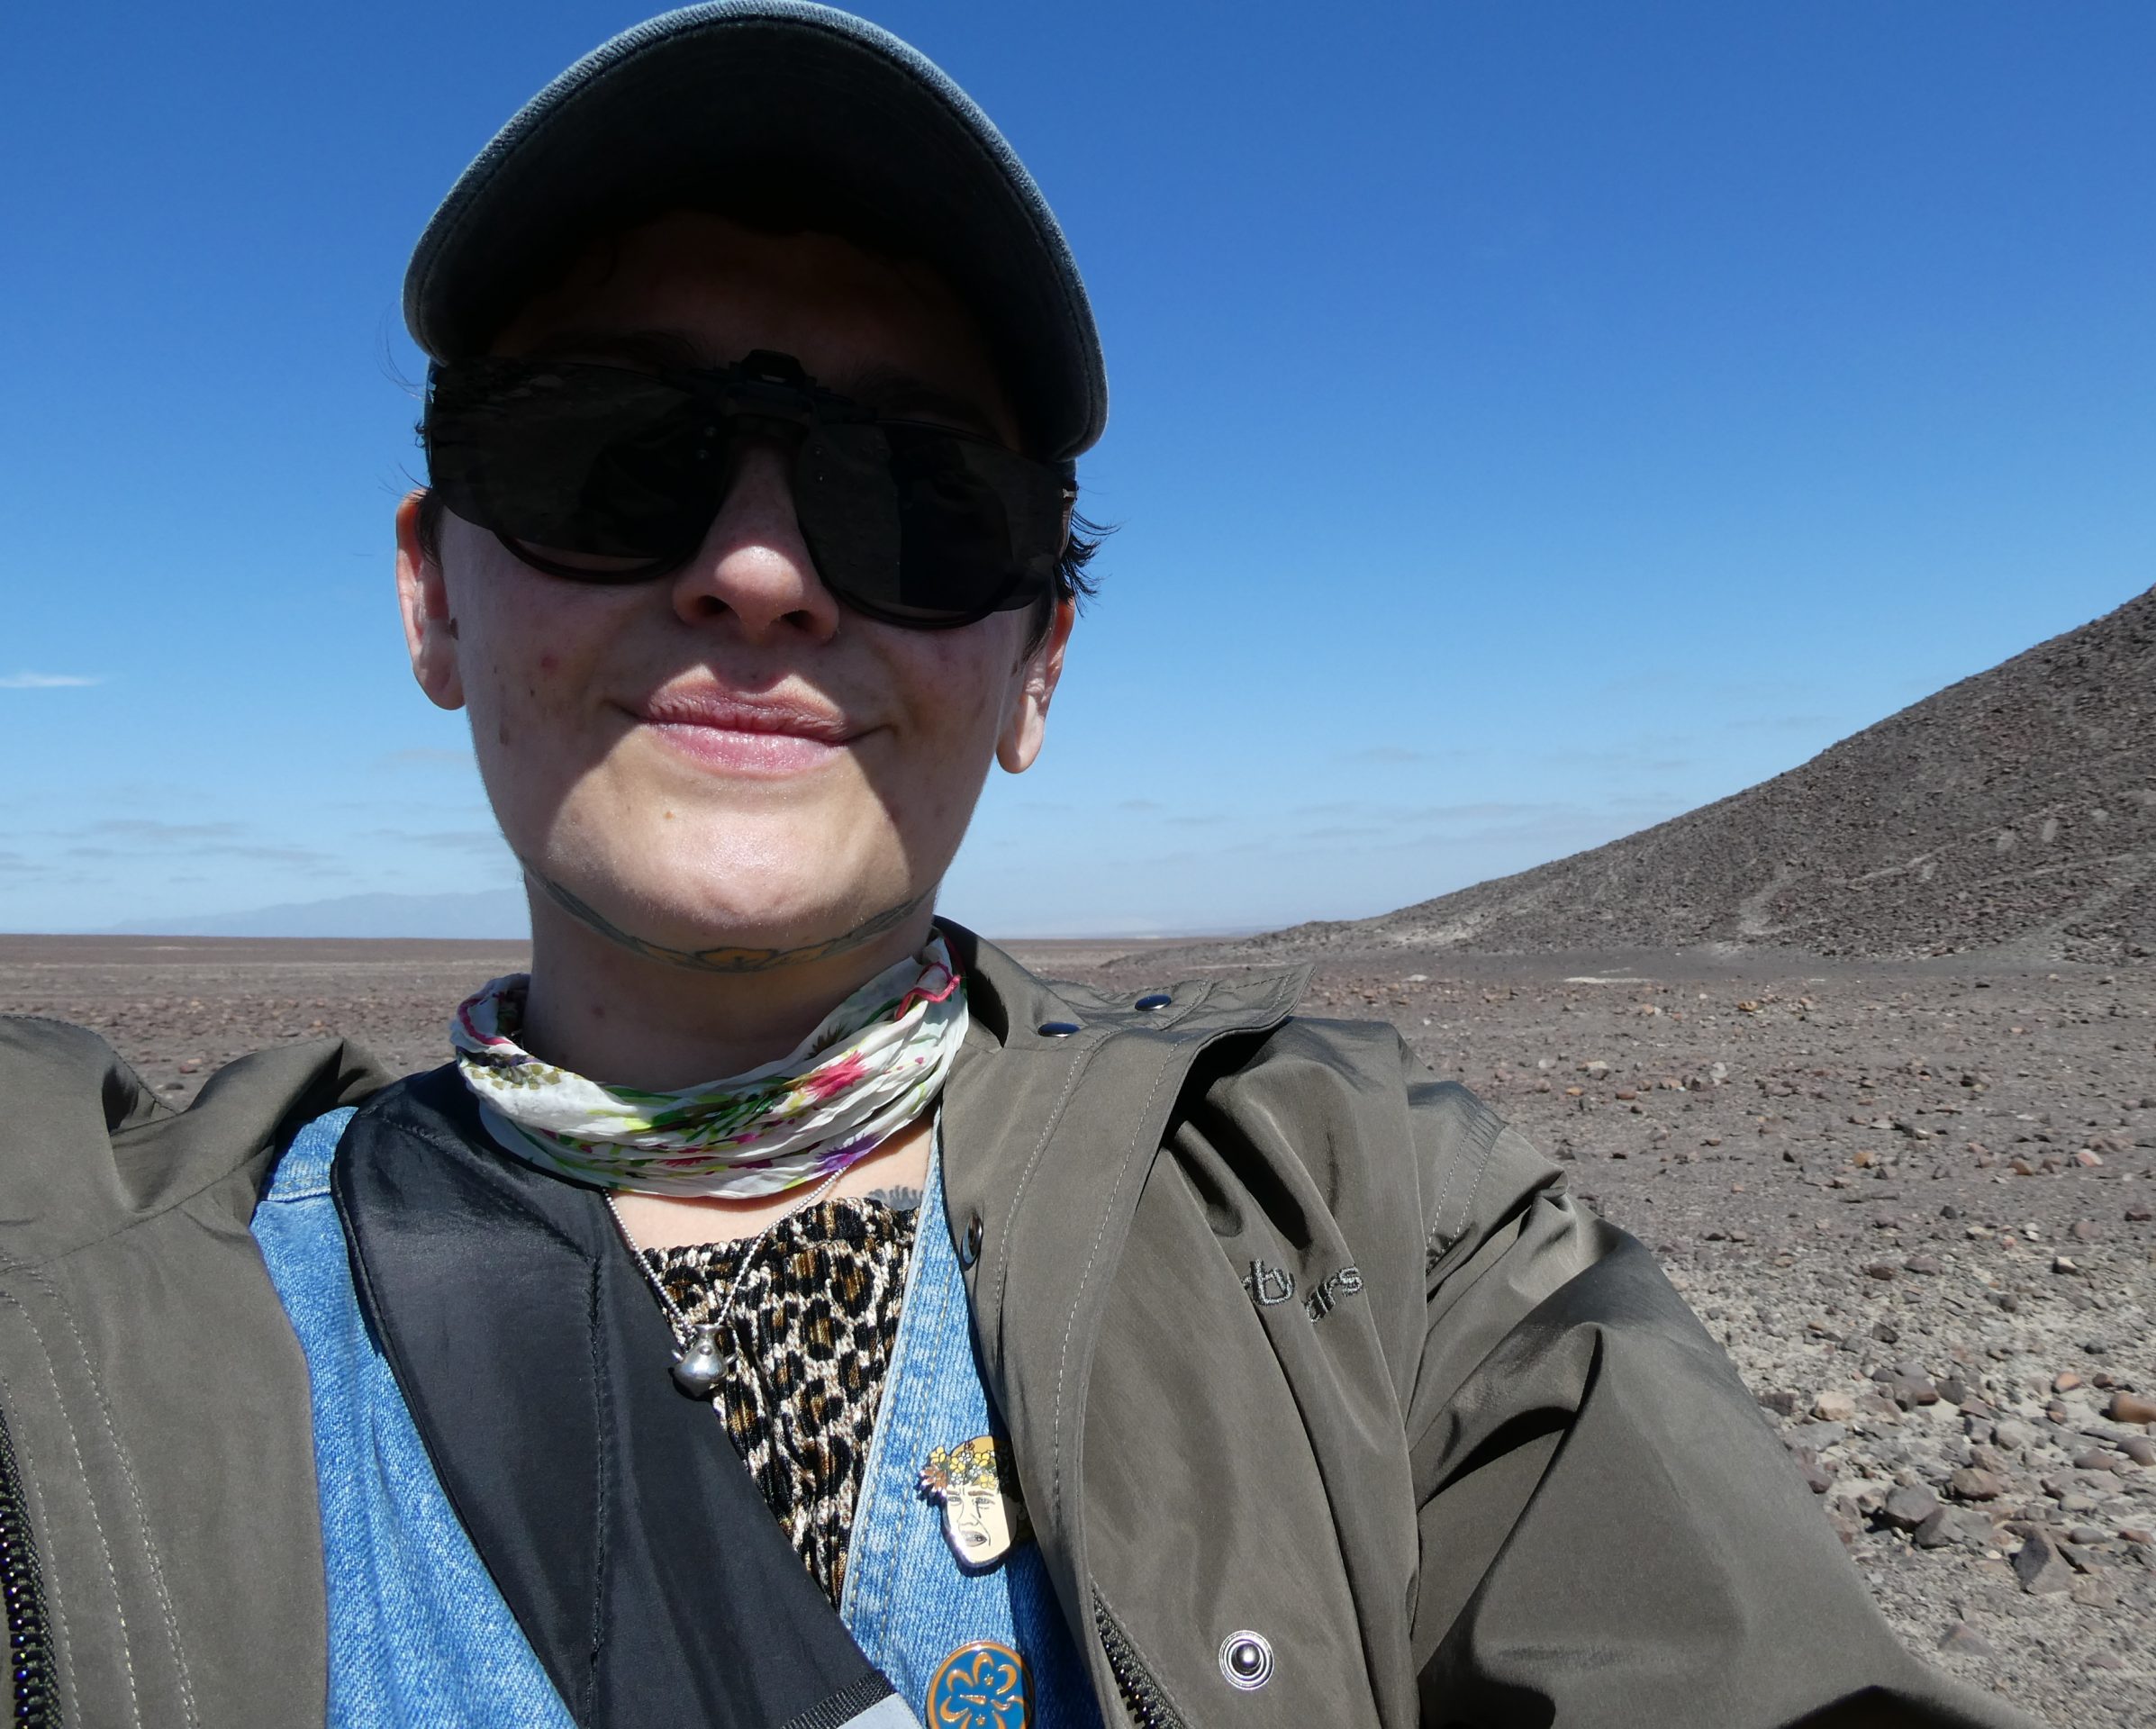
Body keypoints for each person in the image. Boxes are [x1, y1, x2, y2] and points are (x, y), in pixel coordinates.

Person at [0, 6, 2045, 1726]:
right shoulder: (79, 1306)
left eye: (912, 497)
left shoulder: (1367, 1234)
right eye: (609, 454)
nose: (760, 568)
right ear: (432, 596)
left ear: (1034, 666)